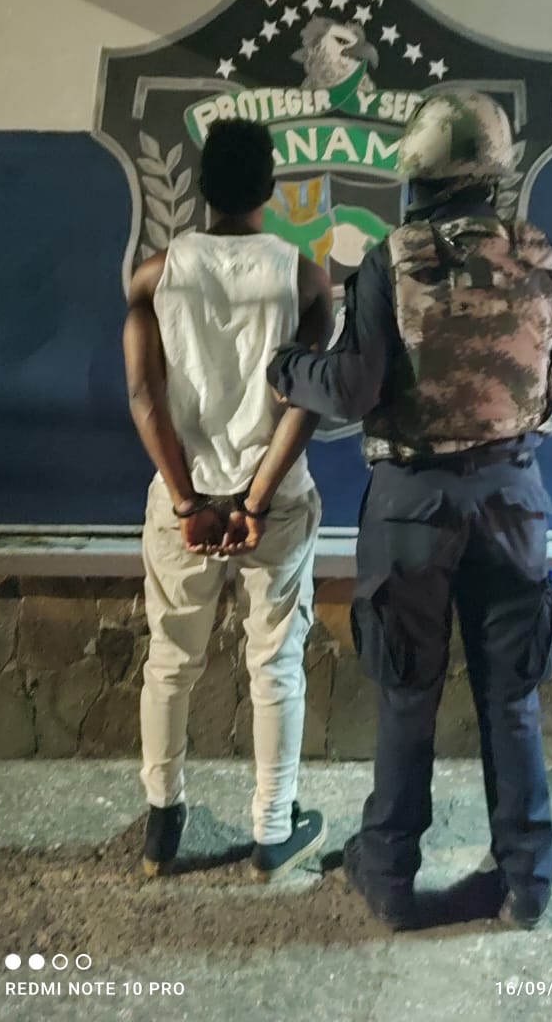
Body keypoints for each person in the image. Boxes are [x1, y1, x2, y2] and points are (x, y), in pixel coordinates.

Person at [267, 91, 552, 930]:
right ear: (496, 172)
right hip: (515, 502)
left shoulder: (395, 258)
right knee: (512, 701)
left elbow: (354, 388)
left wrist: (287, 368)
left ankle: (387, 876)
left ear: (418, 173)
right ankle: (526, 882)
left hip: (413, 508)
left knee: (407, 696)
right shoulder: (549, 259)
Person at [123, 118, 333, 881]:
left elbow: (144, 395)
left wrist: (189, 503)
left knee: (170, 661)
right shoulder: (304, 278)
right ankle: (273, 832)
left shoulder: (154, 275)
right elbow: (305, 401)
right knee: (275, 665)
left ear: (202, 187)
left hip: (183, 503)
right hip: (272, 503)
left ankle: (162, 825)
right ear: (270, 187)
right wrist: (255, 500)